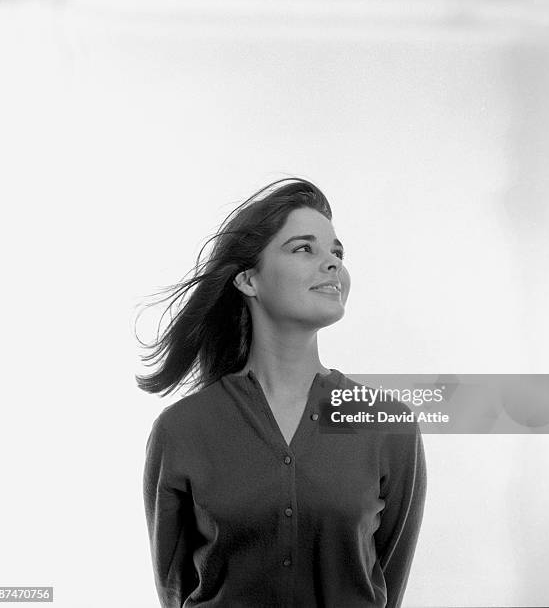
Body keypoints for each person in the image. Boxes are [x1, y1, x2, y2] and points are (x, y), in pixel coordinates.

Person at [136, 178, 426, 607]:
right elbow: (174, 588)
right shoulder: (182, 430)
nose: (332, 264)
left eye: (337, 252)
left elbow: (386, 579)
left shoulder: (386, 422)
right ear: (249, 280)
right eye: (304, 248)